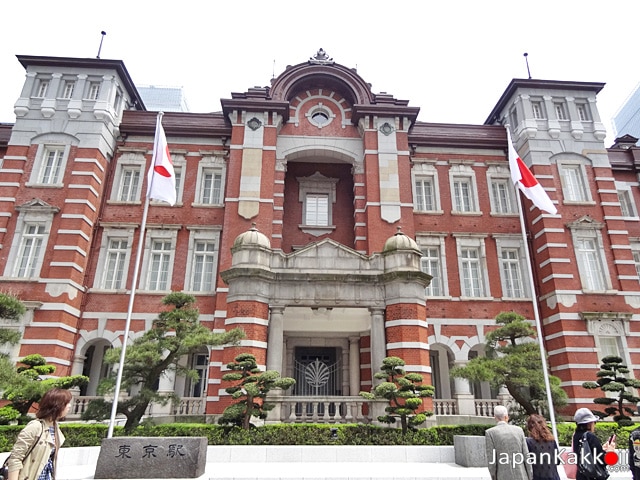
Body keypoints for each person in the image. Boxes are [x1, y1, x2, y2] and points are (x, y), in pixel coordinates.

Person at [6, 388, 72, 480]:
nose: (69, 406)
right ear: (57, 405)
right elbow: (15, 458)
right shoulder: (35, 427)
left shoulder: (56, 427)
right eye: (66, 403)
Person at [485, 405, 533, 480]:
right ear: (506, 417)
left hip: (503, 476)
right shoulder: (519, 430)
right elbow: (526, 455)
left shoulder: (490, 433)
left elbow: (491, 460)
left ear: (495, 417)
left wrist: (493, 476)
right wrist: (530, 475)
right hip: (521, 475)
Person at [572, 407, 614, 480]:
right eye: (594, 422)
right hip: (593, 476)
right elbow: (602, 460)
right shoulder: (590, 436)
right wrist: (610, 451)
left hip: (581, 475)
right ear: (589, 423)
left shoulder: (576, 436)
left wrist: (602, 449)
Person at [526, 414, 560, 480]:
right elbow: (558, 461)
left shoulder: (528, 442)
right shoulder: (552, 441)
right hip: (554, 477)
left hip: (538, 477)